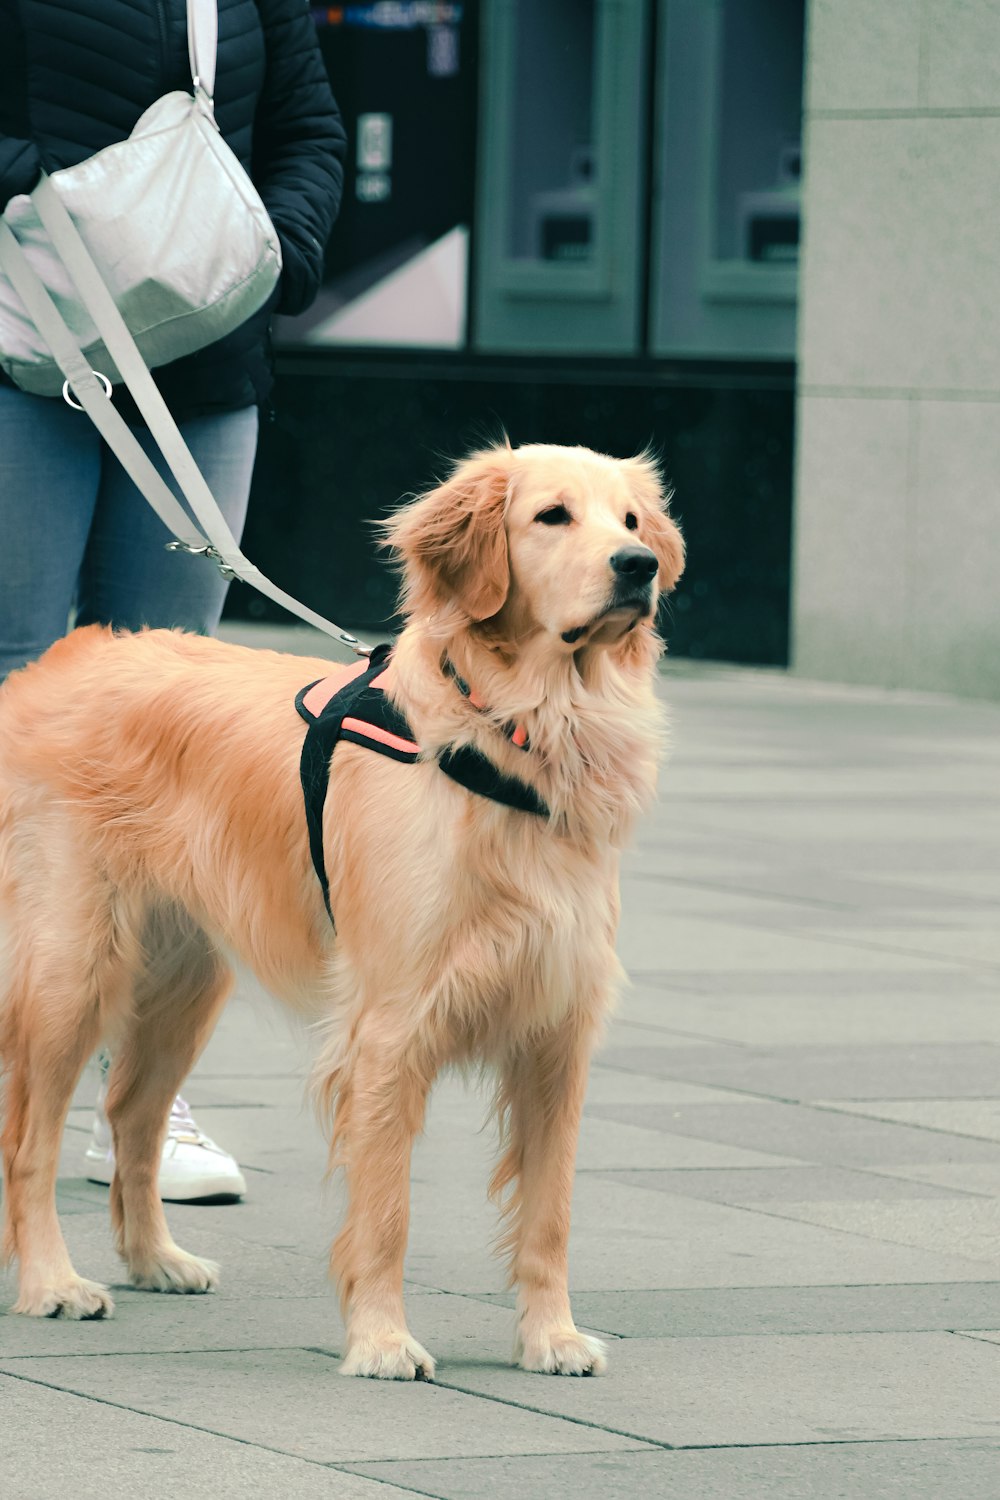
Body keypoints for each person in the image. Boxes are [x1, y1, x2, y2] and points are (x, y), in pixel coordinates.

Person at [0, 0, 346, 1201]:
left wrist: (276, 252)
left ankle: (140, 1091)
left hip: (203, 357)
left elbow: (307, 127)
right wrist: (51, 198)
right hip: (23, 341)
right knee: (19, 687)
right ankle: (25, 1056)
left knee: (164, 719)